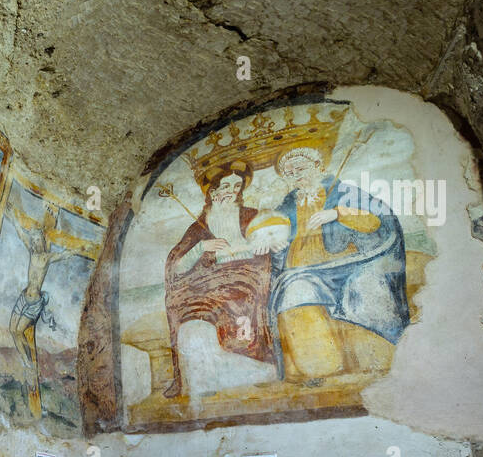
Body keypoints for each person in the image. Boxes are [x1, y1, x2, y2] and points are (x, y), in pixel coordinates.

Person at [268, 145, 409, 382]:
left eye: (300, 168)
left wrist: (338, 213)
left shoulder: (344, 192)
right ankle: (320, 369)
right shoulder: (286, 206)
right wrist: (273, 241)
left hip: (351, 264)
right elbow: (271, 231)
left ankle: (377, 366)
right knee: (293, 293)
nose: (296, 176)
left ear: (318, 167)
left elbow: (381, 221)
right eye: (290, 174)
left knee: (364, 288)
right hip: (303, 271)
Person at [162, 162, 275, 398]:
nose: (232, 191)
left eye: (236, 186)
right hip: (207, 281)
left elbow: (273, 236)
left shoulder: (251, 215)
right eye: (225, 186)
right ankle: (203, 377)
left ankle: (253, 367)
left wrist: (264, 240)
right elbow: (175, 264)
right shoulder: (199, 227)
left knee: (237, 298)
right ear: (212, 193)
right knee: (185, 304)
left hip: (246, 275)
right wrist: (202, 248)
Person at [9, 204, 73, 418]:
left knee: (19, 331)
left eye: (38, 241)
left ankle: (28, 364)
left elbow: (63, 255)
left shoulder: (45, 258)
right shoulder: (31, 251)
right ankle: (26, 361)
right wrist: (14, 217)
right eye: (34, 241)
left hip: (34, 302)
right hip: (23, 296)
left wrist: (73, 250)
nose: (35, 244)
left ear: (43, 243)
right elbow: (20, 234)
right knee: (13, 331)